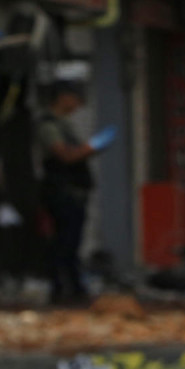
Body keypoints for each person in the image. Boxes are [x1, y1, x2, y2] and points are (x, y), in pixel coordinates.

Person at [36, 81, 116, 304]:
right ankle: (64, 290)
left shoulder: (63, 124)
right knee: (64, 243)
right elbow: (65, 156)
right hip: (62, 192)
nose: (78, 103)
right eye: (74, 97)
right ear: (62, 97)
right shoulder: (49, 125)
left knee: (71, 242)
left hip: (73, 192)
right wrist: (92, 147)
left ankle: (73, 288)